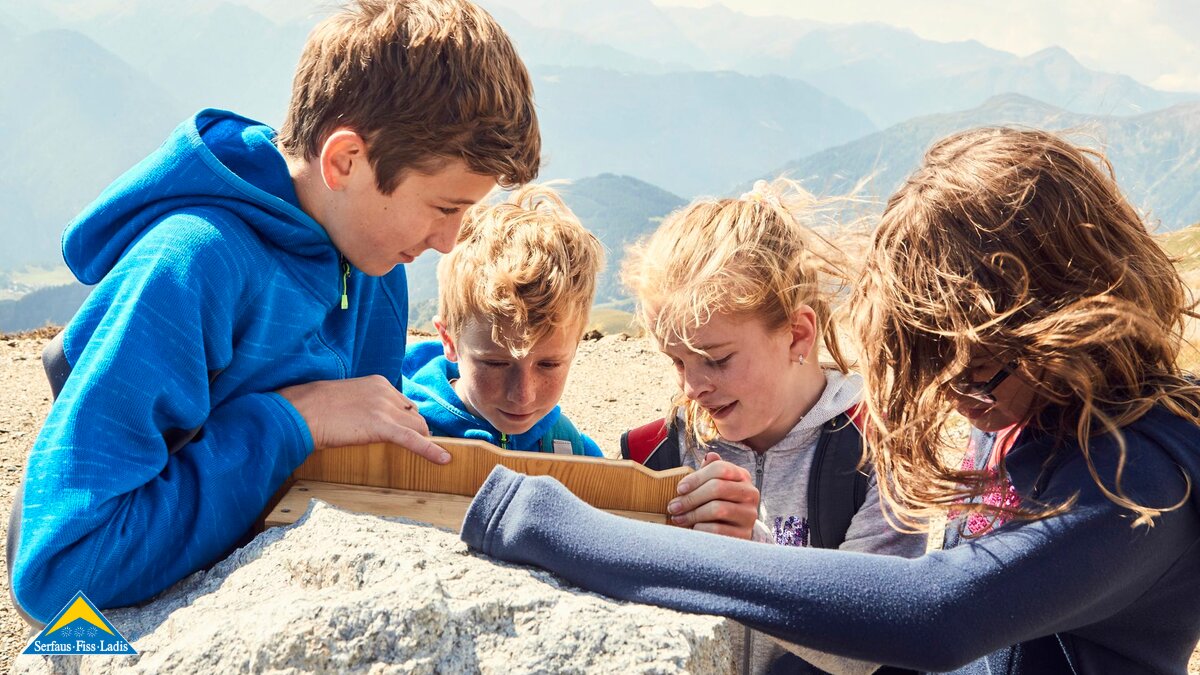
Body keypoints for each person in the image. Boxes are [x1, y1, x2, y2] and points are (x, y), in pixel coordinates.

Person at [458, 128, 1200, 674]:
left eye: (973, 370)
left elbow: (934, 612)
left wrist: (551, 523)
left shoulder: (1139, 484)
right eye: (935, 360)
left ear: (1053, 322)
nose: (953, 392)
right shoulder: (1028, 410)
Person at [8, 0, 539, 626]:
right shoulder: (192, 267)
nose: (449, 242)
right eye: (443, 207)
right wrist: (295, 420)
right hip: (111, 616)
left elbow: (353, 464)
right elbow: (58, 571)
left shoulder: (372, 266)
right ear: (344, 161)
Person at [617, 181, 925, 673]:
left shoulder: (881, 448)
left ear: (797, 334)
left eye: (715, 359)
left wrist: (750, 554)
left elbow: (870, 641)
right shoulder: (654, 453)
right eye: (676, 361)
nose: (693, 387)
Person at [402, 184, 605, 456]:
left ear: (576, 345)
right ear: (449, 339)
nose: (522, 395)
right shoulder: (401, 435)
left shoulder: (572, 451)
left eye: (549, 364)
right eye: (496, 363)